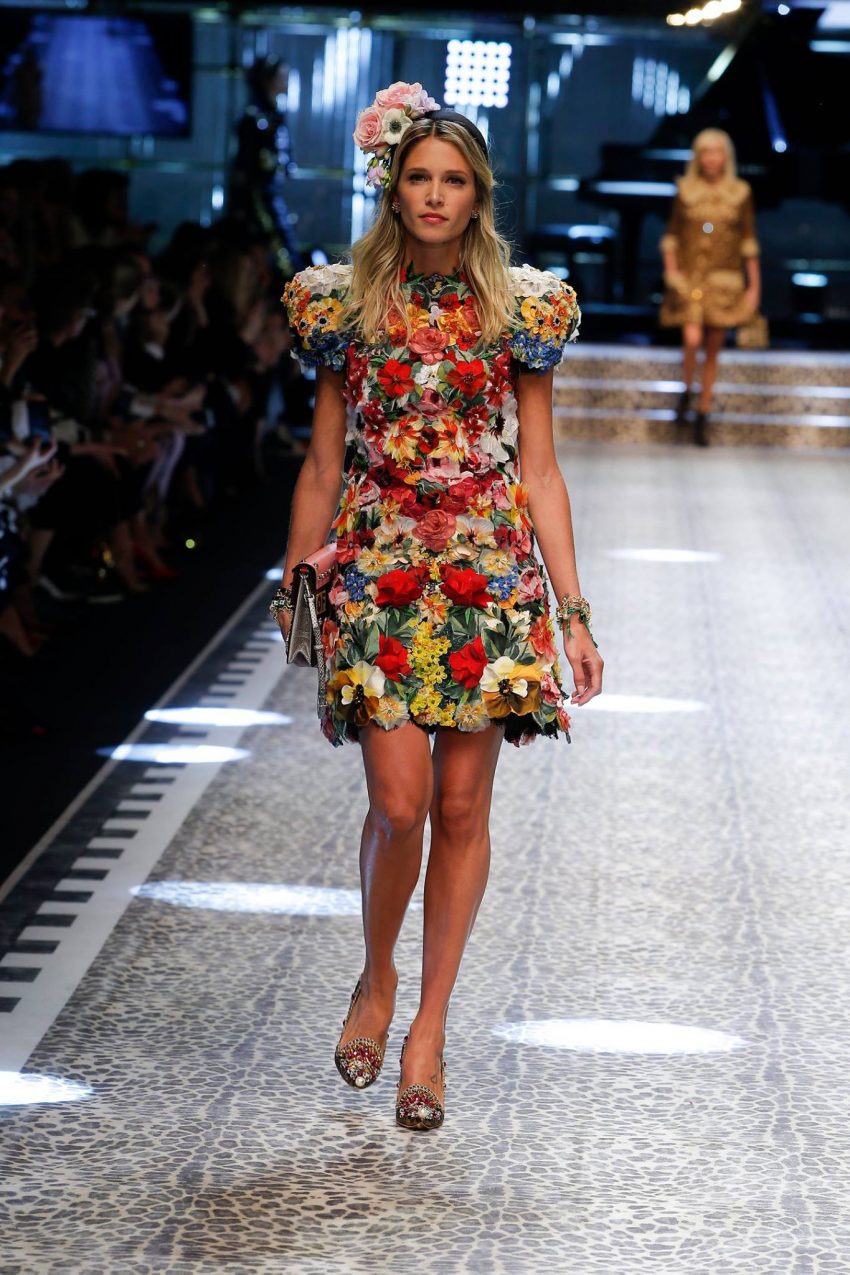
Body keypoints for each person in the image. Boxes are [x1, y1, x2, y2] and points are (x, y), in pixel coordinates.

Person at [271, 82, 603, 1132]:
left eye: (453, 180)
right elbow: (323, 458)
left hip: (487, 572)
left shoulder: (520, 309)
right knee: (400, 802)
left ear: (478, 195)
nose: (433, 195)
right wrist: (297, 577)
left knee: (462, 809)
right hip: (376, 569)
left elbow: (539, 469)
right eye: (418, 176)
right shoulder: (342, 305)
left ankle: (429, 1028)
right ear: (392, 187)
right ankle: (376, 978)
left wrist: (573, 612)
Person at [660, 128, 761, 446]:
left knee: (714, 347)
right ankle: (687, 389)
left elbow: (748, 240)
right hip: (691, 279)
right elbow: (672, 235)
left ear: (726, 156)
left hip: (724, 281)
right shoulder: (686, 190)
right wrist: (672, 272)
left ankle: (702, 411)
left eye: (717, 152)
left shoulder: (740, 193)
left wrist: (754, 286)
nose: (711, 159)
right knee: (692, 338)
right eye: (705, 152)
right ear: (698, 157)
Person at [228, 56, 303, 276]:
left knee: (281, 246)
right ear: (266, 80)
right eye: (281, 76)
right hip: (256, 198)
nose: (286, 81)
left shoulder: (275, 116)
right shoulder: (254, 119)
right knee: (280, 249)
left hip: (269, 194)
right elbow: (244, 167)